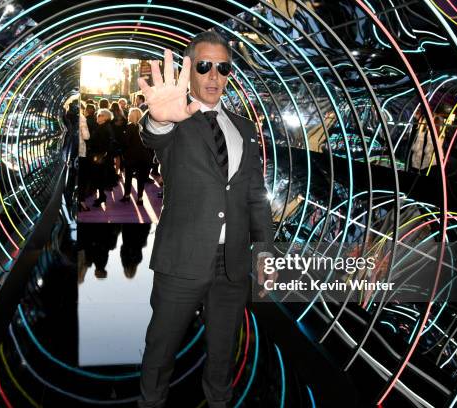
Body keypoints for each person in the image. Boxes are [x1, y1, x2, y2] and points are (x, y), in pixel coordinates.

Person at [136, 31, 275, 408]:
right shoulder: (175, 116)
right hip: (182, 259)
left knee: (222, 353)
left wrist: (266, 254)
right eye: (204, 66)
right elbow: (154, 136)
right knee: (160, 348)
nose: (214, 76)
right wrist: (159, 120)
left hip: (232, 264)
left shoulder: (244, 128)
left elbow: (254, 196)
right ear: (189, 69)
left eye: (223, 67)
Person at [120, 108, 153, 205]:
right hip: (144, 156)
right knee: (141, 178)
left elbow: (126, 142)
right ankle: (140, 198)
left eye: (130, 114)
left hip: (131, 156)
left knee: (129, 177)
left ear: (132, 115)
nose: (128, 115)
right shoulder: (146, 127)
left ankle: (127, 196)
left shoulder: (130, 127)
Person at [89, 108, 115, 207]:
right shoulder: (102, 126)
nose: (97, 117)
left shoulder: (104, 128)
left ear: (105, 118)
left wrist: (99, 155)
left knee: (99, 177)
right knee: (99, 178)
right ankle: (101, 196)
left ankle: (101, 197)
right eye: (98, 115)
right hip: (100, 157)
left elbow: (106, 144)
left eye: (100, 115)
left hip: (100, 157)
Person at [78, 103, 92, 211]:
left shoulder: (66, 115)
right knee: (82, 178)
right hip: (81, 151)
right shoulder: (82, 118)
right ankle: (81, 201)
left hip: (69, 152)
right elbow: (86, 136)